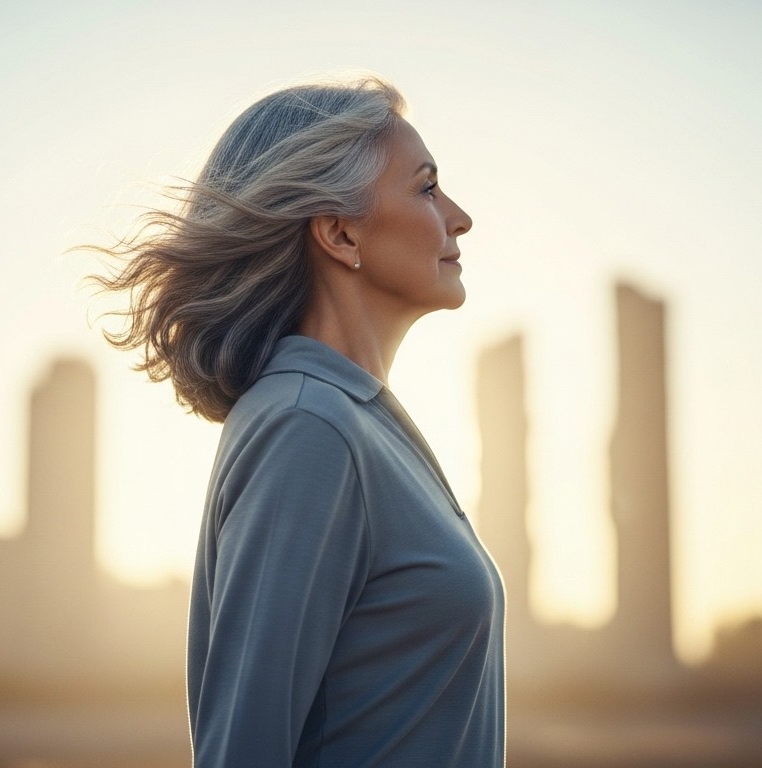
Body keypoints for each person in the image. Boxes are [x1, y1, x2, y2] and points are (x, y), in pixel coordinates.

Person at [92, 76, 505, 767]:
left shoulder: (357, 421)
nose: (459, 217)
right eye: (427, 189)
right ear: (341, 233)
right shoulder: (308, 426)